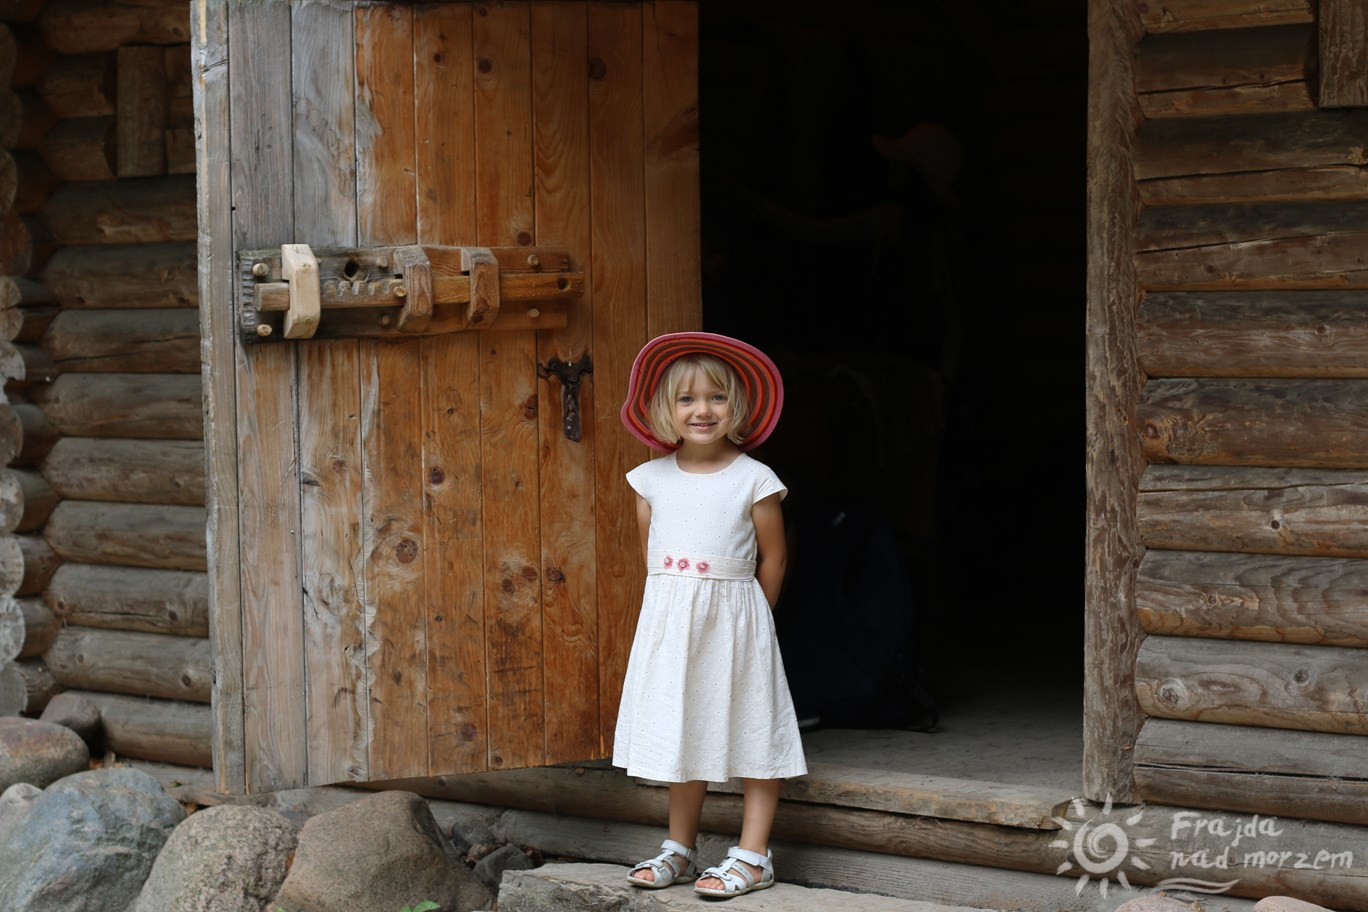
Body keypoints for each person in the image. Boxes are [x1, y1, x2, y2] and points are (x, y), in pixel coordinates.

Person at [614, 331, 807, 899]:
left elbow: (773, 556)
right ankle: (680, 846)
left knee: (755, 728)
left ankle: (752, 855)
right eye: (687, 399)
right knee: (684, 729)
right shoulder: (650, 481)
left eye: (718, 397)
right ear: (663, 410)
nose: (703, 410)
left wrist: (755, 621)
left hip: (739, 622)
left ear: (738, 407)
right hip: (677, 629)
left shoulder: (754, 478)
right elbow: (654, 565)